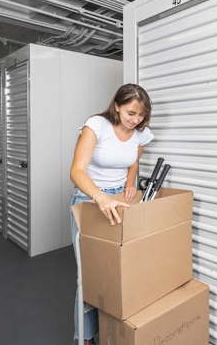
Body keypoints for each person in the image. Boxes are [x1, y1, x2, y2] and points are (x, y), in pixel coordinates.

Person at [69, 83, 154, 345]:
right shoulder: (96, 125)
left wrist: (130, 184)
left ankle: (112, 334)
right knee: (90, 275)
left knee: (117, 270)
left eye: (141, 115)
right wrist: (101, 197)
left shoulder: (140, 132)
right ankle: (85, 338)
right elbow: (77, 171)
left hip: (119, 199)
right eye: (130, 113)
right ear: (116, 106)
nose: (135, 120)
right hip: (90, 199)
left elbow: (134, 160)